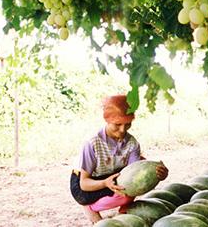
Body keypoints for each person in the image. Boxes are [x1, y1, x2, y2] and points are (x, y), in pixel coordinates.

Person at [70, 95, 169, 223]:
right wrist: (105, 183)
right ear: (107, 120)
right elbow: (84, 183)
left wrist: (158, 174)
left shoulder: (132, 143)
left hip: (111, 175)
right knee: (86, 197)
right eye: (117, 124)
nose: (122, 130)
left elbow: (135, 177)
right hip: (85, 183)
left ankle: (124, 212)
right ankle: (90, 208)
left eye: (128, 124)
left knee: (127, 193)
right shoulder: (92, 143)